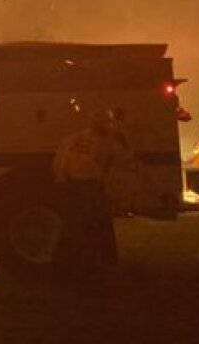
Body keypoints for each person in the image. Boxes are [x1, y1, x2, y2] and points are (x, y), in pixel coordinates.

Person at [53, 109, 135, 286]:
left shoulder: (71, 140)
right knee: (100, 229)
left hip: (69, 187)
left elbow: (59, 163)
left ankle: (71, 269)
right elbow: (122, 161)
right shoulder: (106, 142)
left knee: (73, 231)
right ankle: (102, 269)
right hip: (91, 188)